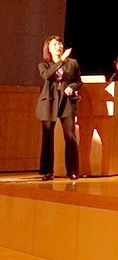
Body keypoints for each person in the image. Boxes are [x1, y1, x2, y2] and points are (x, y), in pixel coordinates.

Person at [36, 35, 82, 181]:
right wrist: (61, 61)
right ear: (48, 49)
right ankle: (47, 171)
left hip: (66, 102)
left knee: (70, 137)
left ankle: (73, 170)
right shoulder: (44, 65)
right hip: (49, 102)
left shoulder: (72, 63)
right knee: (48, 138)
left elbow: (78, 82)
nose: (59, 47)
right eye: (55, 45)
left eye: (60, 44)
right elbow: (47, 76)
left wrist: (71, 87)